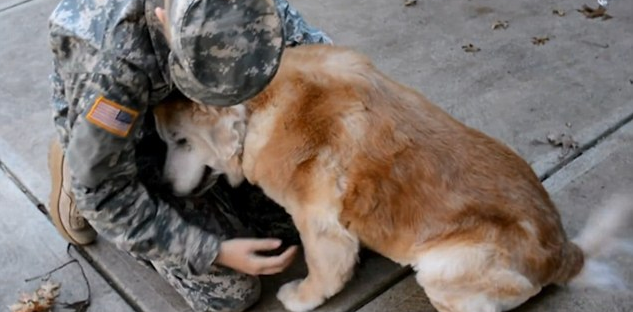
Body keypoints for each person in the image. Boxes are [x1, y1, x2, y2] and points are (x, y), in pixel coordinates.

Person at [47, 0, 332, 311]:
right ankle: (75, 155)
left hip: (210, 125)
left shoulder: (244, 8)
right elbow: (103, 197)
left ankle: (217, 183)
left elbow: (324, 66)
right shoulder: (111, 67)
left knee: (294, 224)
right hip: (133, 136)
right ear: (162, 17)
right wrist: (210, 251)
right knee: (230, 293)